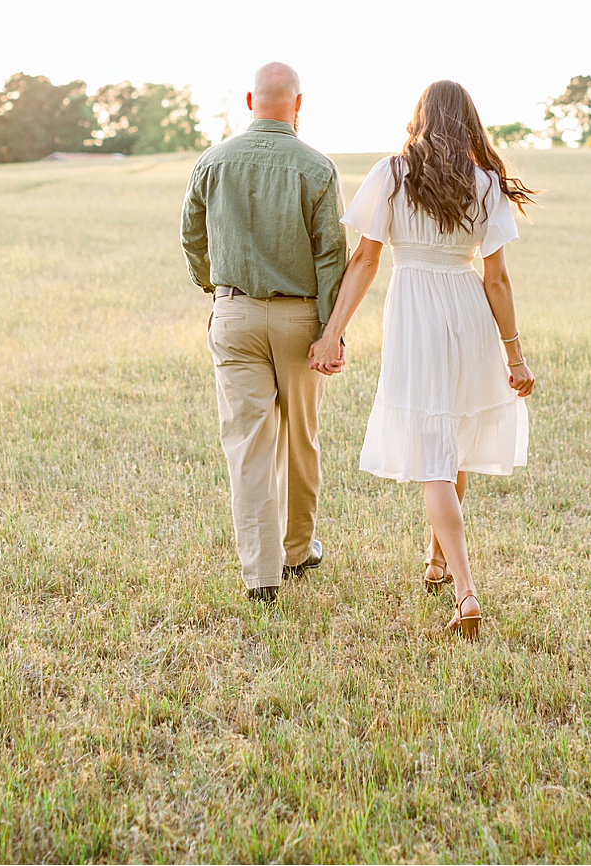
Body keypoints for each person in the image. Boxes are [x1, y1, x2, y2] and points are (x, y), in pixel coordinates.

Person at [308, 80, 536, 639]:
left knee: (435, 459)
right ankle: (435, 562)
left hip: (416, 315)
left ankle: (465, 591)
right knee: (449, 439)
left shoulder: (392, 173)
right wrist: (515, 355)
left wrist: (333, 332)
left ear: (421, 118)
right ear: (470, 123)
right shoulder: (485, 184)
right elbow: (497, 279)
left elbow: (364, 260)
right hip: (468, 314)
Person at [180, 63, 348, 604]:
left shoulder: (213, 161)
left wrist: (216, 287)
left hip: (234, 315)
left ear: (251, 100)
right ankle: (298, 550)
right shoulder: (317, 168)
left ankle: (261, 575)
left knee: (248, 446)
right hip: (301, 319)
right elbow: (331, 258)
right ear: (299, 104)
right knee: (301, 437)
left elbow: (191, 235)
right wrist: (331, 332)